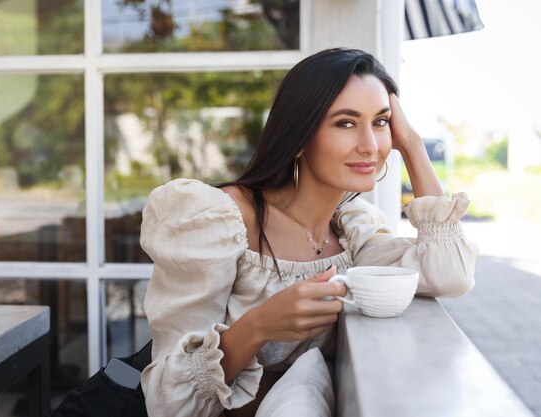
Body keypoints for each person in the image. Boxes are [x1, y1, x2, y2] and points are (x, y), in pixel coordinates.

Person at [139, 48, 478, 417]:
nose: (371, 146)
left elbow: (451, 274)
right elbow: (167, 402)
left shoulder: (353, 230)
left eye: (380, 122)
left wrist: (412, 144)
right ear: (299, 136)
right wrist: (260, 325)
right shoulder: (221, 218)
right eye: (346, 123)